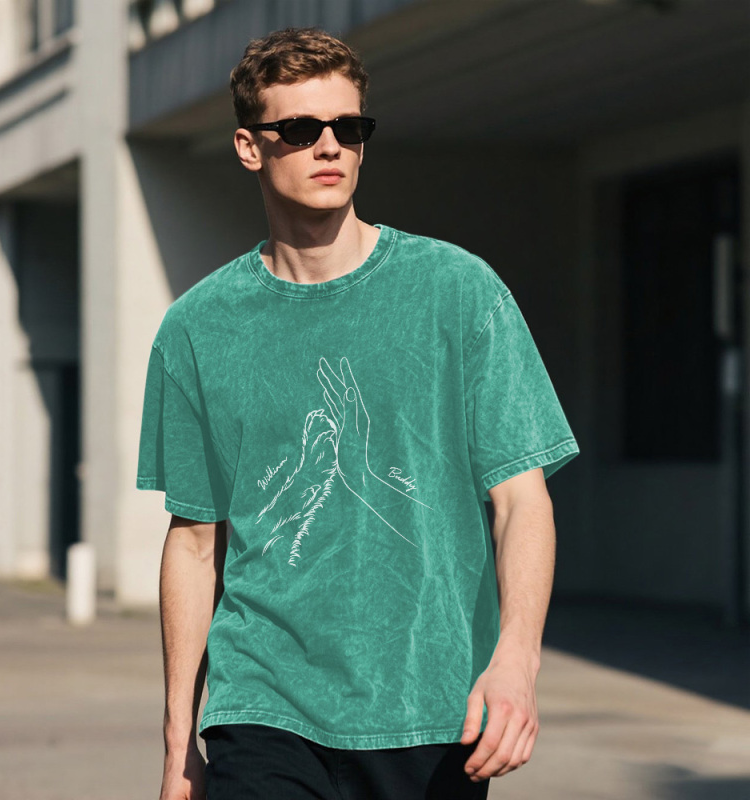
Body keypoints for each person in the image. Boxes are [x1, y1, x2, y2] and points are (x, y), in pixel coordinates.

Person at [136, 25, 580, 800]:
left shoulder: (459, 292)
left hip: (432, 707)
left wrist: (516, 659)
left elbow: (521, 500)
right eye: (300, 129)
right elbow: (195, 541)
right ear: (249, 147)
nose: (329, 146)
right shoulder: (197, 328)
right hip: (262, 708)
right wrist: (180, 742)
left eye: (349, 127)